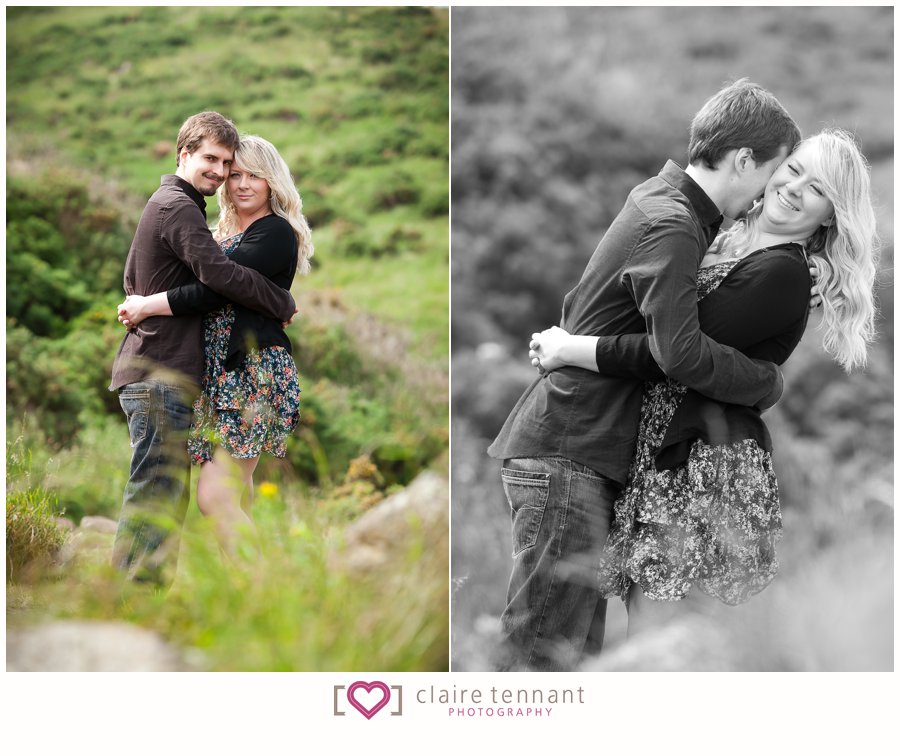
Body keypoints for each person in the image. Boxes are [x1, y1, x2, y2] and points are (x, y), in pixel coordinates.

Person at [486, 79, 801, 671]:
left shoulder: (660, 202)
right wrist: (765, 382)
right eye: (775, 173)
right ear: (742, 161)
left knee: (572, 657)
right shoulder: (676, 224)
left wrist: (576, 347)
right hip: (570, 454)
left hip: (575, 454)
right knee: (539, 660)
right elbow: (679, 353)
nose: (768, 195)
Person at [529, 129, 877, 633]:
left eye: (818, 189)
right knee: (644, 632)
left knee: (667, 637)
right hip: (665, 457)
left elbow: (673, 354)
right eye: (795, 169)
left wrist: (570, 350)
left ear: (831, 215)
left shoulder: (782, 273)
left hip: (705, 467)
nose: (795, 188)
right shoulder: (725, 239)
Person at [110, 112, 297, 585]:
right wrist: (279, 298)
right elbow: (223, 281)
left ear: (273, 182)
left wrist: (149, 304)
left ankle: (264, 592)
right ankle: (157, 594)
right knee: (193, 491)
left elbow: (217, 286)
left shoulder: (271, 231)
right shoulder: (189, 211)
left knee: (214, 496)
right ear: (184, 155)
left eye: (249, 173)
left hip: (248, 370)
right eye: (232, 172)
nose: (235, 181)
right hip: (201, 373)